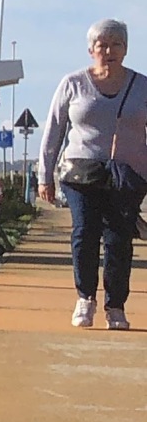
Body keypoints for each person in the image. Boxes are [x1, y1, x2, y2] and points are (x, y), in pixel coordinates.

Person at [40, 19, 147, 329]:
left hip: (126, 174)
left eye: (116, 44)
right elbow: (54, 130)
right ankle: (85, 298)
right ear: (91, 50)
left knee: (119, 238)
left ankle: (116, 306)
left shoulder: (141, 86)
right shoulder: (73, 83)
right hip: (80, 172)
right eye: (102, 45)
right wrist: (44, 175)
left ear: (126, 50)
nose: (109, 50)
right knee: (84, 232)